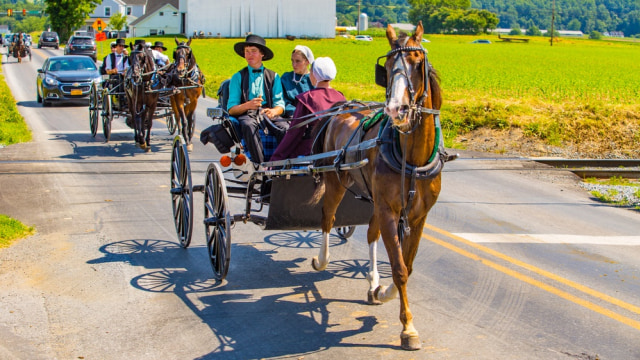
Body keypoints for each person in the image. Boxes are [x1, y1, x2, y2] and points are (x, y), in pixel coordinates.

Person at [270, 57, 346, 162]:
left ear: (314, 75)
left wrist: (276, 159)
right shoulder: (340, 97)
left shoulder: (307, 98)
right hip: (336, 149)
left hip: (313, 149)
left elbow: (294, 133)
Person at [227, 34, 287, 164]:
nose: (249, 55)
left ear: (262, 54)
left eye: (253, 51)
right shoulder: (237, 77)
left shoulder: (274, 76)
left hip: (268, 114)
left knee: (285, 128)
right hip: (247, 114)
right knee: (248, 125)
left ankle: (281, 163)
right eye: (247, 51)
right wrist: (248, 105)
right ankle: (259, 165)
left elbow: (280, 105)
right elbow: (231, 109)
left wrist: (273, 111)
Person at [280, 45, 314, 118]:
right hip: (291, 118)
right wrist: (297, 113)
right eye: (292, 60)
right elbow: (282, 101)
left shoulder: (314, 79)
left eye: (298, 61)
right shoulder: (286, 78)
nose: (294, 64)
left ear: (307, 62)